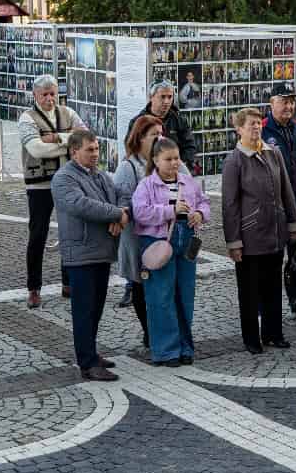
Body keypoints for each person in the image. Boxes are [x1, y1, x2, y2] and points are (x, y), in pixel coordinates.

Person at [51, 130, 128, 381]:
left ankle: (92, 353)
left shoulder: (99, 174)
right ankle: (86, 362)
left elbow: (120, 194)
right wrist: (117, 213)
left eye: (96, 149)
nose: (96, 154)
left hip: (101, 251)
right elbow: (81, 205)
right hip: (81, 253)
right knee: (84, 310)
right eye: (90, 150)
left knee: (95, 308)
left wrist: (122, 211)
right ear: (74, 152)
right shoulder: (63, 178)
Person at [222, 108, 296, 354]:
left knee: (273, 287)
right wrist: (233, 241)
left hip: (274, 232)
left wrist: (293, 223)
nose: (256, 128)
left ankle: (274, 333)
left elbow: (286, 189)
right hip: (250, 235)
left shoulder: (273, 153)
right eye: (250, 124)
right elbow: (230, 204)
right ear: (239, 129)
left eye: (258, 123)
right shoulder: (234, 160)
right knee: (249, 291)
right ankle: (251, 338)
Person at [132, 136, 210, 366]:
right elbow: (140, 213)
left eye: (176, 158)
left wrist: (200, 214)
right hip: (158, 241)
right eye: (168, 159)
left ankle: (185, 346)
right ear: (156, 160)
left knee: (185, 295)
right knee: (161, 296)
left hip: (186, 238)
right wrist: (169, 210)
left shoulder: (188, 181)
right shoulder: (146, 185)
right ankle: (166, 350)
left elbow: (204, 202)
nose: (174, 163)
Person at [19, 75, 87, 309]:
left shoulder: (68, 112)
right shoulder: (27, 118)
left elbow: (86, 137)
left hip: (67, 181)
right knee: (37, 235)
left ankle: (68, 282)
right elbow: (36, 149)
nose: (49, 98)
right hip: (39, 185)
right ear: (35, 96)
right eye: (44, 94)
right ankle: (34, 288)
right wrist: (69, 142)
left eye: (52, 93)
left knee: (70, 232)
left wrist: (57, 137)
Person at [263, 85, 296, 324]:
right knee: (271, 261)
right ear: (271, 103)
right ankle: (266, 310)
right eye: (283, 101)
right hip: (274, 206)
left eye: (292, 102)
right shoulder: (262, 131)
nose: (289, 106)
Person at [114, 115, 164, 340]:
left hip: (163, 236)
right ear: (140, 138)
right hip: (137, 237)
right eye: (154, 135)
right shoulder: (128, 167)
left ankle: (160, 329)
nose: (160, 138)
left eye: (162, 134)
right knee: (140, 285)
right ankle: (149, 331)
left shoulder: (165, 160)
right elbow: (123, 204)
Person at [128, 78, 199, 172]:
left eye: (170, 97)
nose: (166, 101)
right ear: (151, 97)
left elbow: (190, 146)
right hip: (146, 172)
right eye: (162, 97)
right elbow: (131, 149)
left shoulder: (179, 120)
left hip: (175, 171)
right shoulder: (138, 122)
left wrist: (178, 164)